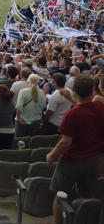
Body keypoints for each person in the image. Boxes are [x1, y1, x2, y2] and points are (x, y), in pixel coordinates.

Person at [47, 75, 104, 224]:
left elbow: (65, 142)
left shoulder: (73, 114)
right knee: (88, 195)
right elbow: (85, 107)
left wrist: (51, 154)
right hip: (93, 160)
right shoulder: (100, 107)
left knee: (60, 195)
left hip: (72, 161)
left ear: (74, 90)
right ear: (92, 90)